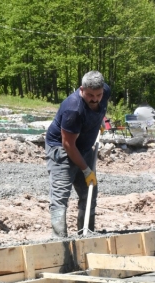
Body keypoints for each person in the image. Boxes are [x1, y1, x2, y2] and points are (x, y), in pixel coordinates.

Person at [45, 71, 111, 237]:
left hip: (85, 148)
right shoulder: (73, 108)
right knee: (60, 198)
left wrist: (100, 119)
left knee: (89, 194)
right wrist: (86, 170)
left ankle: (86, 234)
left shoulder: (105, 93)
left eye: (98, 95)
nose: (95, 99)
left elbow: (100, 106)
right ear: (82, 89)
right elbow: (68, 145)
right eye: (90, 95)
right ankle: (59, 240)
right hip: (61, 150)